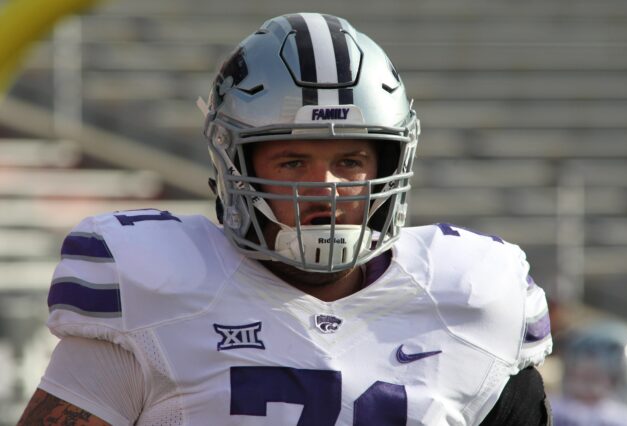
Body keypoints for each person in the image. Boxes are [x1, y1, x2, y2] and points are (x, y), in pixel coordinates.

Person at [18, 12, 553, 425]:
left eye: (350, 161)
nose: (326, 185)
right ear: (234, 164)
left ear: (391, 165)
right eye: (294, 161)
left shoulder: (472, 299)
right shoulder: (154, 292)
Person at [551, 320, 627, 426]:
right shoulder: (553, 409)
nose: (580, 388)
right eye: (574, 377)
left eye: (593, 380)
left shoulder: (623, 420)